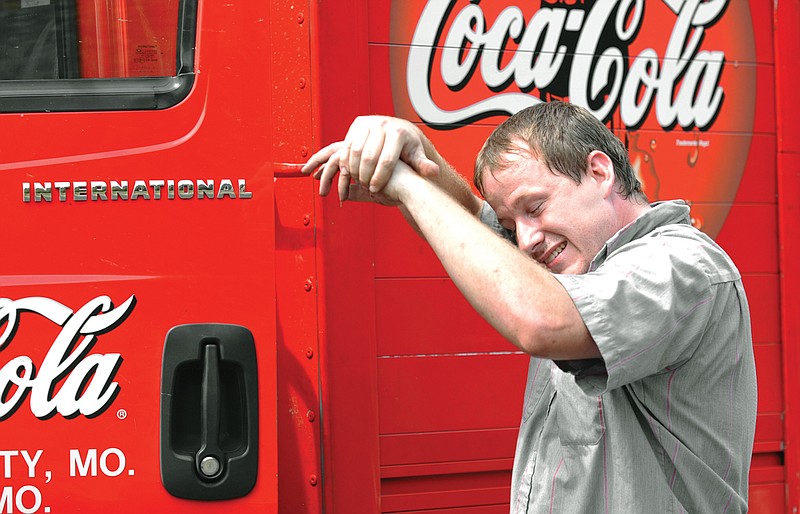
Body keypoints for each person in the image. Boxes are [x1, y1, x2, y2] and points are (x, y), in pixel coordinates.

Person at [302, 101, 757, 513]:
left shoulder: (681, 265)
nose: (526, 240)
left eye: (535, 207)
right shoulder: (578, 266)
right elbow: (482, 238)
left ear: (600, 172)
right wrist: (421, 163)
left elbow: (542, 322)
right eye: (510, 224)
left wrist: (408, 188)